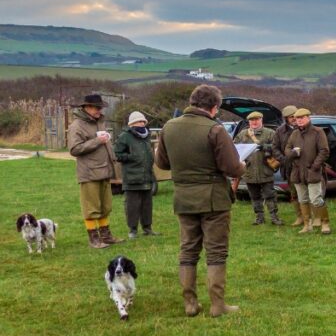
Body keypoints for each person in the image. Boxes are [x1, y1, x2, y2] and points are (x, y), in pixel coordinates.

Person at [155, 84, 246, 317]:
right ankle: (217, 305)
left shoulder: (168, 127)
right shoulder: (215, 130)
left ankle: (190, 304)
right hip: (213, 198)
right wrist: (242, 165)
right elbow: (232, 167)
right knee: (215, 252)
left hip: (183, 197)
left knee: (188, 251)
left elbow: (162, 164)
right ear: (214, 107)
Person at [68, 93, 121, 249]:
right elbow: (74, 149)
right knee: (91, 208)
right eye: (97, 108)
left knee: (105, 206)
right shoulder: (77, 125)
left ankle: (106, 236)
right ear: (87, 107)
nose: (100, 110)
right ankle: (94, 239)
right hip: (89, 173)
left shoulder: (99, 122)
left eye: (100, 107)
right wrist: (98, 141)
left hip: (104, 171)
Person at [113, 111, 158, 239]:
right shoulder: (124, 137)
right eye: (138, 122)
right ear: (132, 124)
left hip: (147, 176)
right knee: (132, 206)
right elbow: (117, 154)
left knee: (147, 205)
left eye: (143, 121)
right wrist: (132, 157)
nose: (141, 124)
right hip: (131, 177)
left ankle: (147, 228)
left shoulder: (147, 136)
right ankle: (133, 230)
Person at [286, 108, 330, 234]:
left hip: (313, 171)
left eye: (302, 118)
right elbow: (287, 150)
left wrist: (315, 166)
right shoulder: (294, 134)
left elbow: (324, 151)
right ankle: (307, 225)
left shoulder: (318, 132)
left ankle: (325, 223)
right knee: (302, 199)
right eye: (297, 119)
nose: (299, 121)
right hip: (297, 172)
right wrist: (293, 153)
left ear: (308, 118)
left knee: (316, 199)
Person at [234, 111, 282, 226]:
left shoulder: (270, 133)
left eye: (257, 119)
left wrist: (264, 146)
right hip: (249, 171)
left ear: (261, 120)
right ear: (249, 121)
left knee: (270, 195)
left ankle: (274, 218)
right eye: (252, 120)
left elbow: (277, 147)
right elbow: (234, 147)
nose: (254, 122)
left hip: (265, 169)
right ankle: (259, 218)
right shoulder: (243, 134)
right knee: (255, 197)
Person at [272, 105, 302, 226]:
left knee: (307, 193)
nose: (294, 119)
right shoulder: (280, 131)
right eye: (291, 117)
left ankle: (313, 217)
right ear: (286, 118)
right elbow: (275, 148)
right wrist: (283, 159)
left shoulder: (304, 128)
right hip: (289, 167)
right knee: (294, 194)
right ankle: (300, 217)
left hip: (304, 166)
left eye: (295, 116)